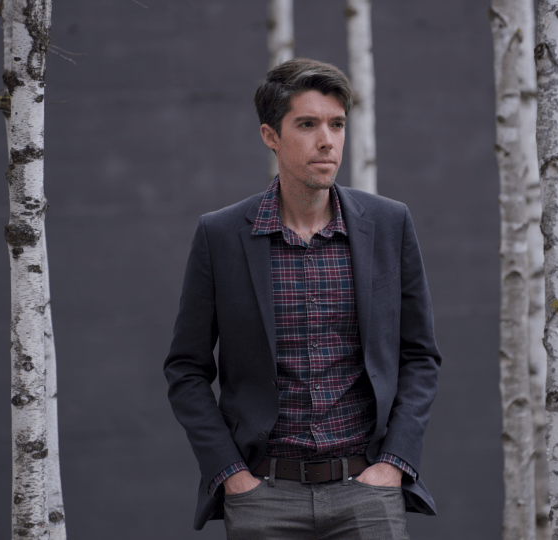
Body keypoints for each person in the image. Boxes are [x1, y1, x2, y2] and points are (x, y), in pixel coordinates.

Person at [164, 58, 441, 539]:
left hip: (367, 491)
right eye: (307, 124)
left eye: (337, 124)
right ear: (271, 136)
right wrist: (231, 474)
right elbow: (185, 369)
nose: (327, 140)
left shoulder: (389, 224)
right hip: (263, 497)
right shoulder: (222, 235)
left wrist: (394, 464)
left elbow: (419, 356)